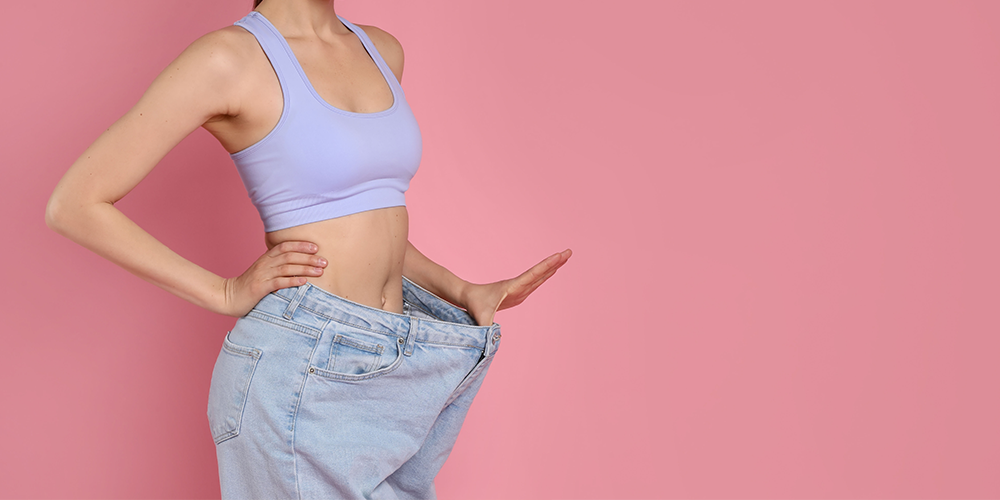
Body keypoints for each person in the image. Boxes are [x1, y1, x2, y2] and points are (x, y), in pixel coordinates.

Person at [45, 0, 571, 498]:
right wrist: (224, 291)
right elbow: (74, 204)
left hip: (401, 365)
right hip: (305, 364)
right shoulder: (227, 58)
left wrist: (459, 289)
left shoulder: (381, 50)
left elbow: (359, 220)